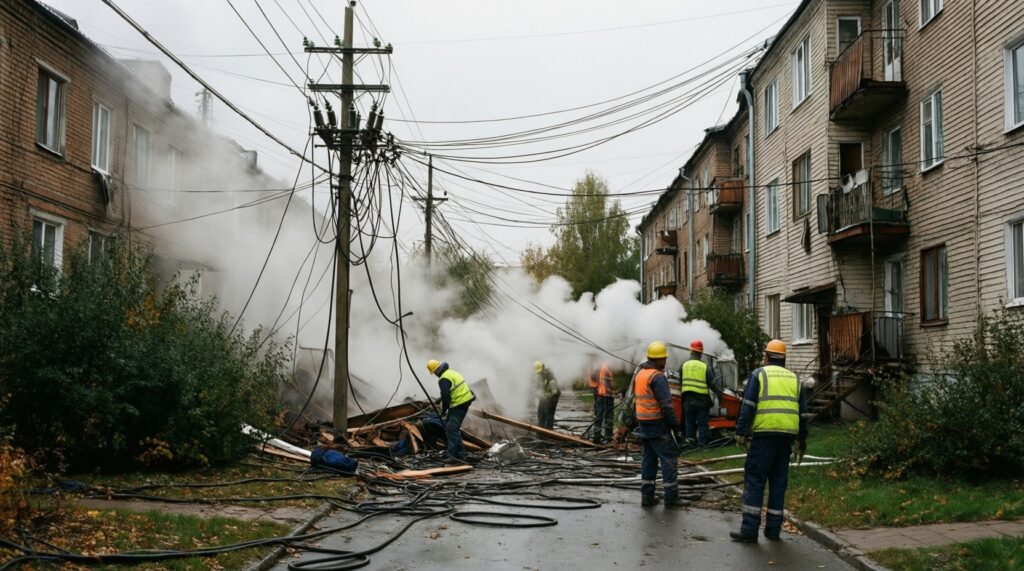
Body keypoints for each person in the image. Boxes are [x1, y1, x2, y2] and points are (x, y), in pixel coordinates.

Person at [730, 339, 809, 543]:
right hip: (786, 439)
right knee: (778, 483)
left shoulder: (759, 374)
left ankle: (749, 530)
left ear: (766, 356)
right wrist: (802, 439)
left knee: (755, 480)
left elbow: (748, 406)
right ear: (784, 358)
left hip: (764, 437)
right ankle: (773, 530)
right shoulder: (794, 379)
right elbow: (803, 414)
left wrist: (740, 431)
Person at [634, 341, 687, 509]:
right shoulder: (657, 377)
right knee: (669, 459)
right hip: (658, 425)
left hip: (644, 425)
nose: (665, 362)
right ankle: (671, 498)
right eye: (664, 359)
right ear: (660, 360)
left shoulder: (640, 374)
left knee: (648, 461)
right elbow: (666, 405)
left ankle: (647, 496)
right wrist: (675, 427)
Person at [426, 359, 476, 461]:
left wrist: (444, 410)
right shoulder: (451, 372)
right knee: (451, 428)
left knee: (451, 429)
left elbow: (446, 396)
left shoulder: (443, 379)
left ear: (436, 371)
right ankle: (461, 454)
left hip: (459, 404)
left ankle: (453, 456)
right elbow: (454, 388)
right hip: (464, 401)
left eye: (434, 372)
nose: (435, 374)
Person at [680, 339, 724, 447]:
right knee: (702, 424)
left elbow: (681, 382)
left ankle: (690, 441)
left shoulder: (683, 365)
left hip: (688, 400)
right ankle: (703, 443)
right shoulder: (705, 367)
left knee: (689, 422)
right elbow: (712, 384)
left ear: (691, 351)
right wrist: (720, 395)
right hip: (701, 401)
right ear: (700, 352)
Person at [589, 362, 615, 444]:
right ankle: (607, 438)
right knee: (607, 416)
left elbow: (593, 378)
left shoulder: (597, 364)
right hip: (604, 394)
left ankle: (598, 437)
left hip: (602, 394)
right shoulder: (606, 365)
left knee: (600, 416)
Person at [534, 361, 560, 430]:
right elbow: (538, 387)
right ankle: (541, 429)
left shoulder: (549, 374)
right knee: (541, 412)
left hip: (553, 396)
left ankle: (549, 431)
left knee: (549, 414)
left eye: (540, 371)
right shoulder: (540, 375)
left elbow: (553, 388)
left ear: (543, 367)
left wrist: (552, 396)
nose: (539, 373)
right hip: (545, 396)